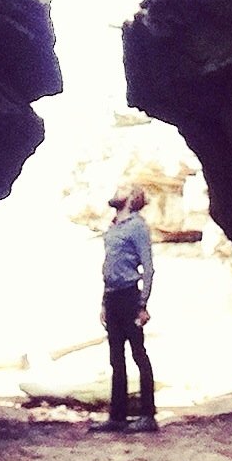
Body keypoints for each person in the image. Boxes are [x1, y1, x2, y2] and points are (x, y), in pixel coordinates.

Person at [96, 183, 156, 432]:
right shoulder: (114, 226)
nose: (115, 191)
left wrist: (142, 304)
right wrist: (102, 301)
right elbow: (109, 266)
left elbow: (148, 267)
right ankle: (117, 417)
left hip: (130, 297)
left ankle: (147, 416)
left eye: (121, 189)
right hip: (112, 297)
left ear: (132, 198)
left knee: (138, 354)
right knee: (116, 359)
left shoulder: (137, 227)